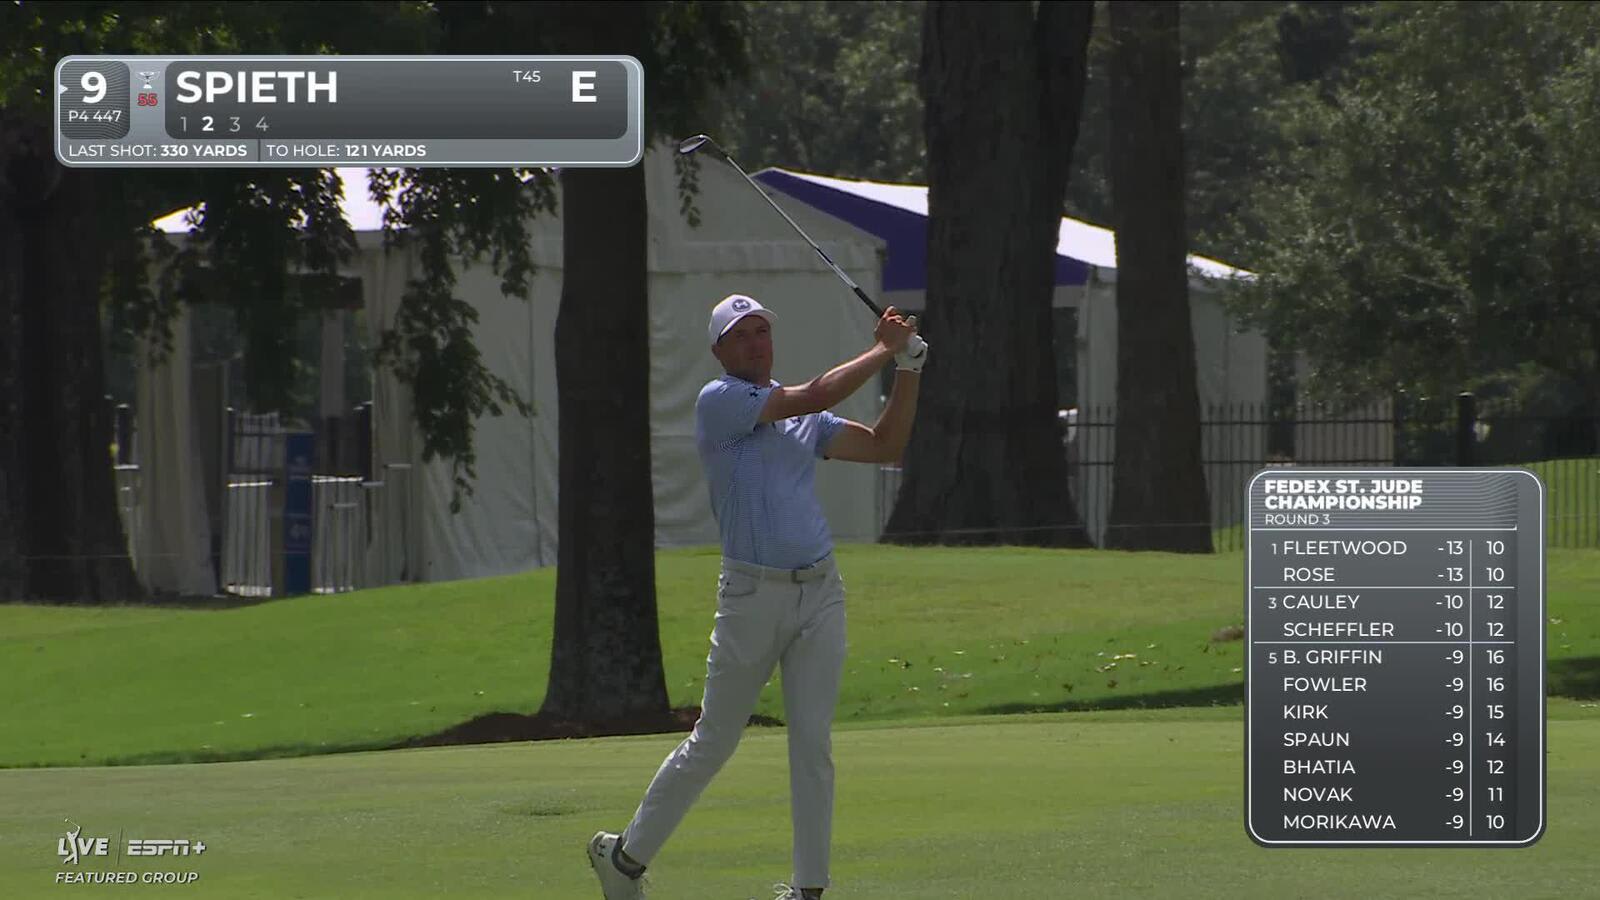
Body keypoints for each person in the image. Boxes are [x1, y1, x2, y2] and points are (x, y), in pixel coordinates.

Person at [587, 294, 927, 900]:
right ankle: (625, 858)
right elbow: (814, 394)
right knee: (715, 740)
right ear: (719, 351)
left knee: (812, 743)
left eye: (762, 331)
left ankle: (809, 890)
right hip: (751, 596)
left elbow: (883, 447)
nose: (754, 343)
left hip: (820, 591)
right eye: (740, 336)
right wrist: (884, 348)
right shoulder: (720, 402)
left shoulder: (803, 422)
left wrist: (909, 371)